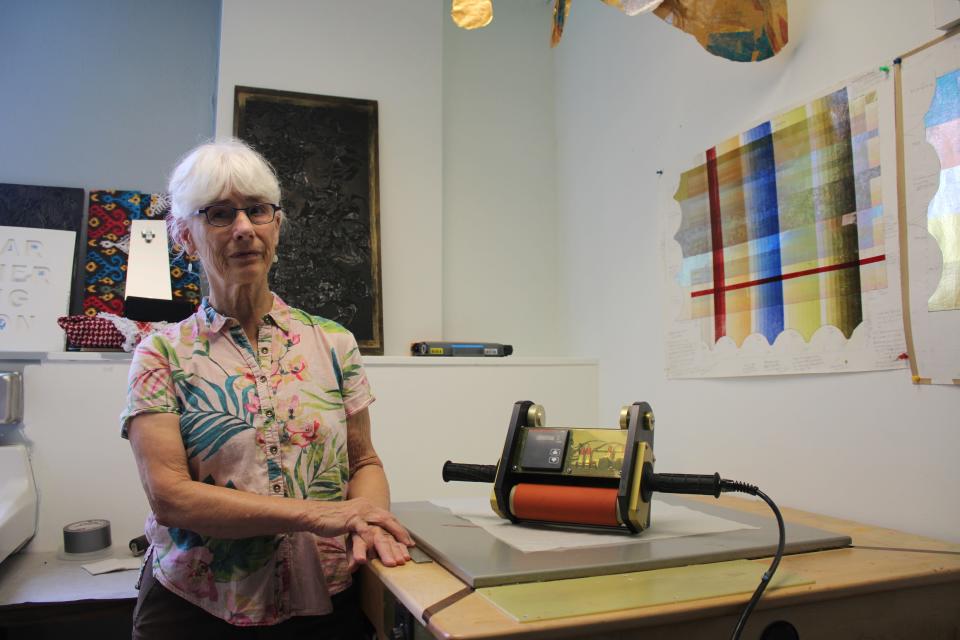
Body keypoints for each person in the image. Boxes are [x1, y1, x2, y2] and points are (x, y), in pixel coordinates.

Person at [120, 138, 413, 638]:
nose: (243, 230)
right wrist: (322, 515)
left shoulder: (334, 342)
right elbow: (170, 497)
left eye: (257, 211)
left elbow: (364, 462)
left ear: (276, 224)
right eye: (218, 214)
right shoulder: (161, 355)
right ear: (184, 237)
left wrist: (368, 518)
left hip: (327, 598)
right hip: (200, 608)